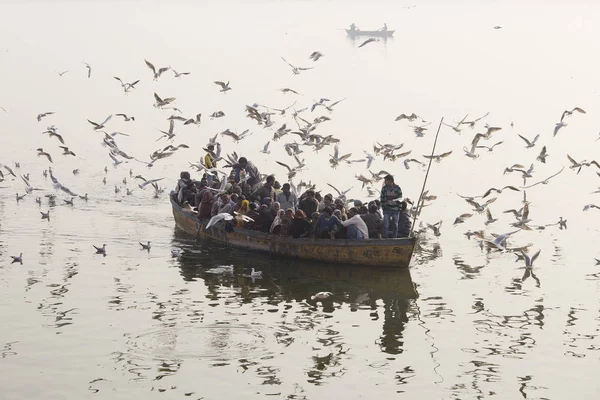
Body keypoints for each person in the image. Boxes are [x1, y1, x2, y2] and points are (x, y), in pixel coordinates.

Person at [380, 174, 403, 238]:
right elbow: (382, 199)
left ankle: (394, 238)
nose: (385, 182)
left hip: (395, 210)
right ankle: (385, 238)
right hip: (387, 209)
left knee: (395, 225)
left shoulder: (397, 188)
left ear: (390, 181)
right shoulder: (384, 189)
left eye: (386, 181)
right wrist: (383, 208)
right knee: (386, 224)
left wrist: (399, 208)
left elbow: (400, 199)